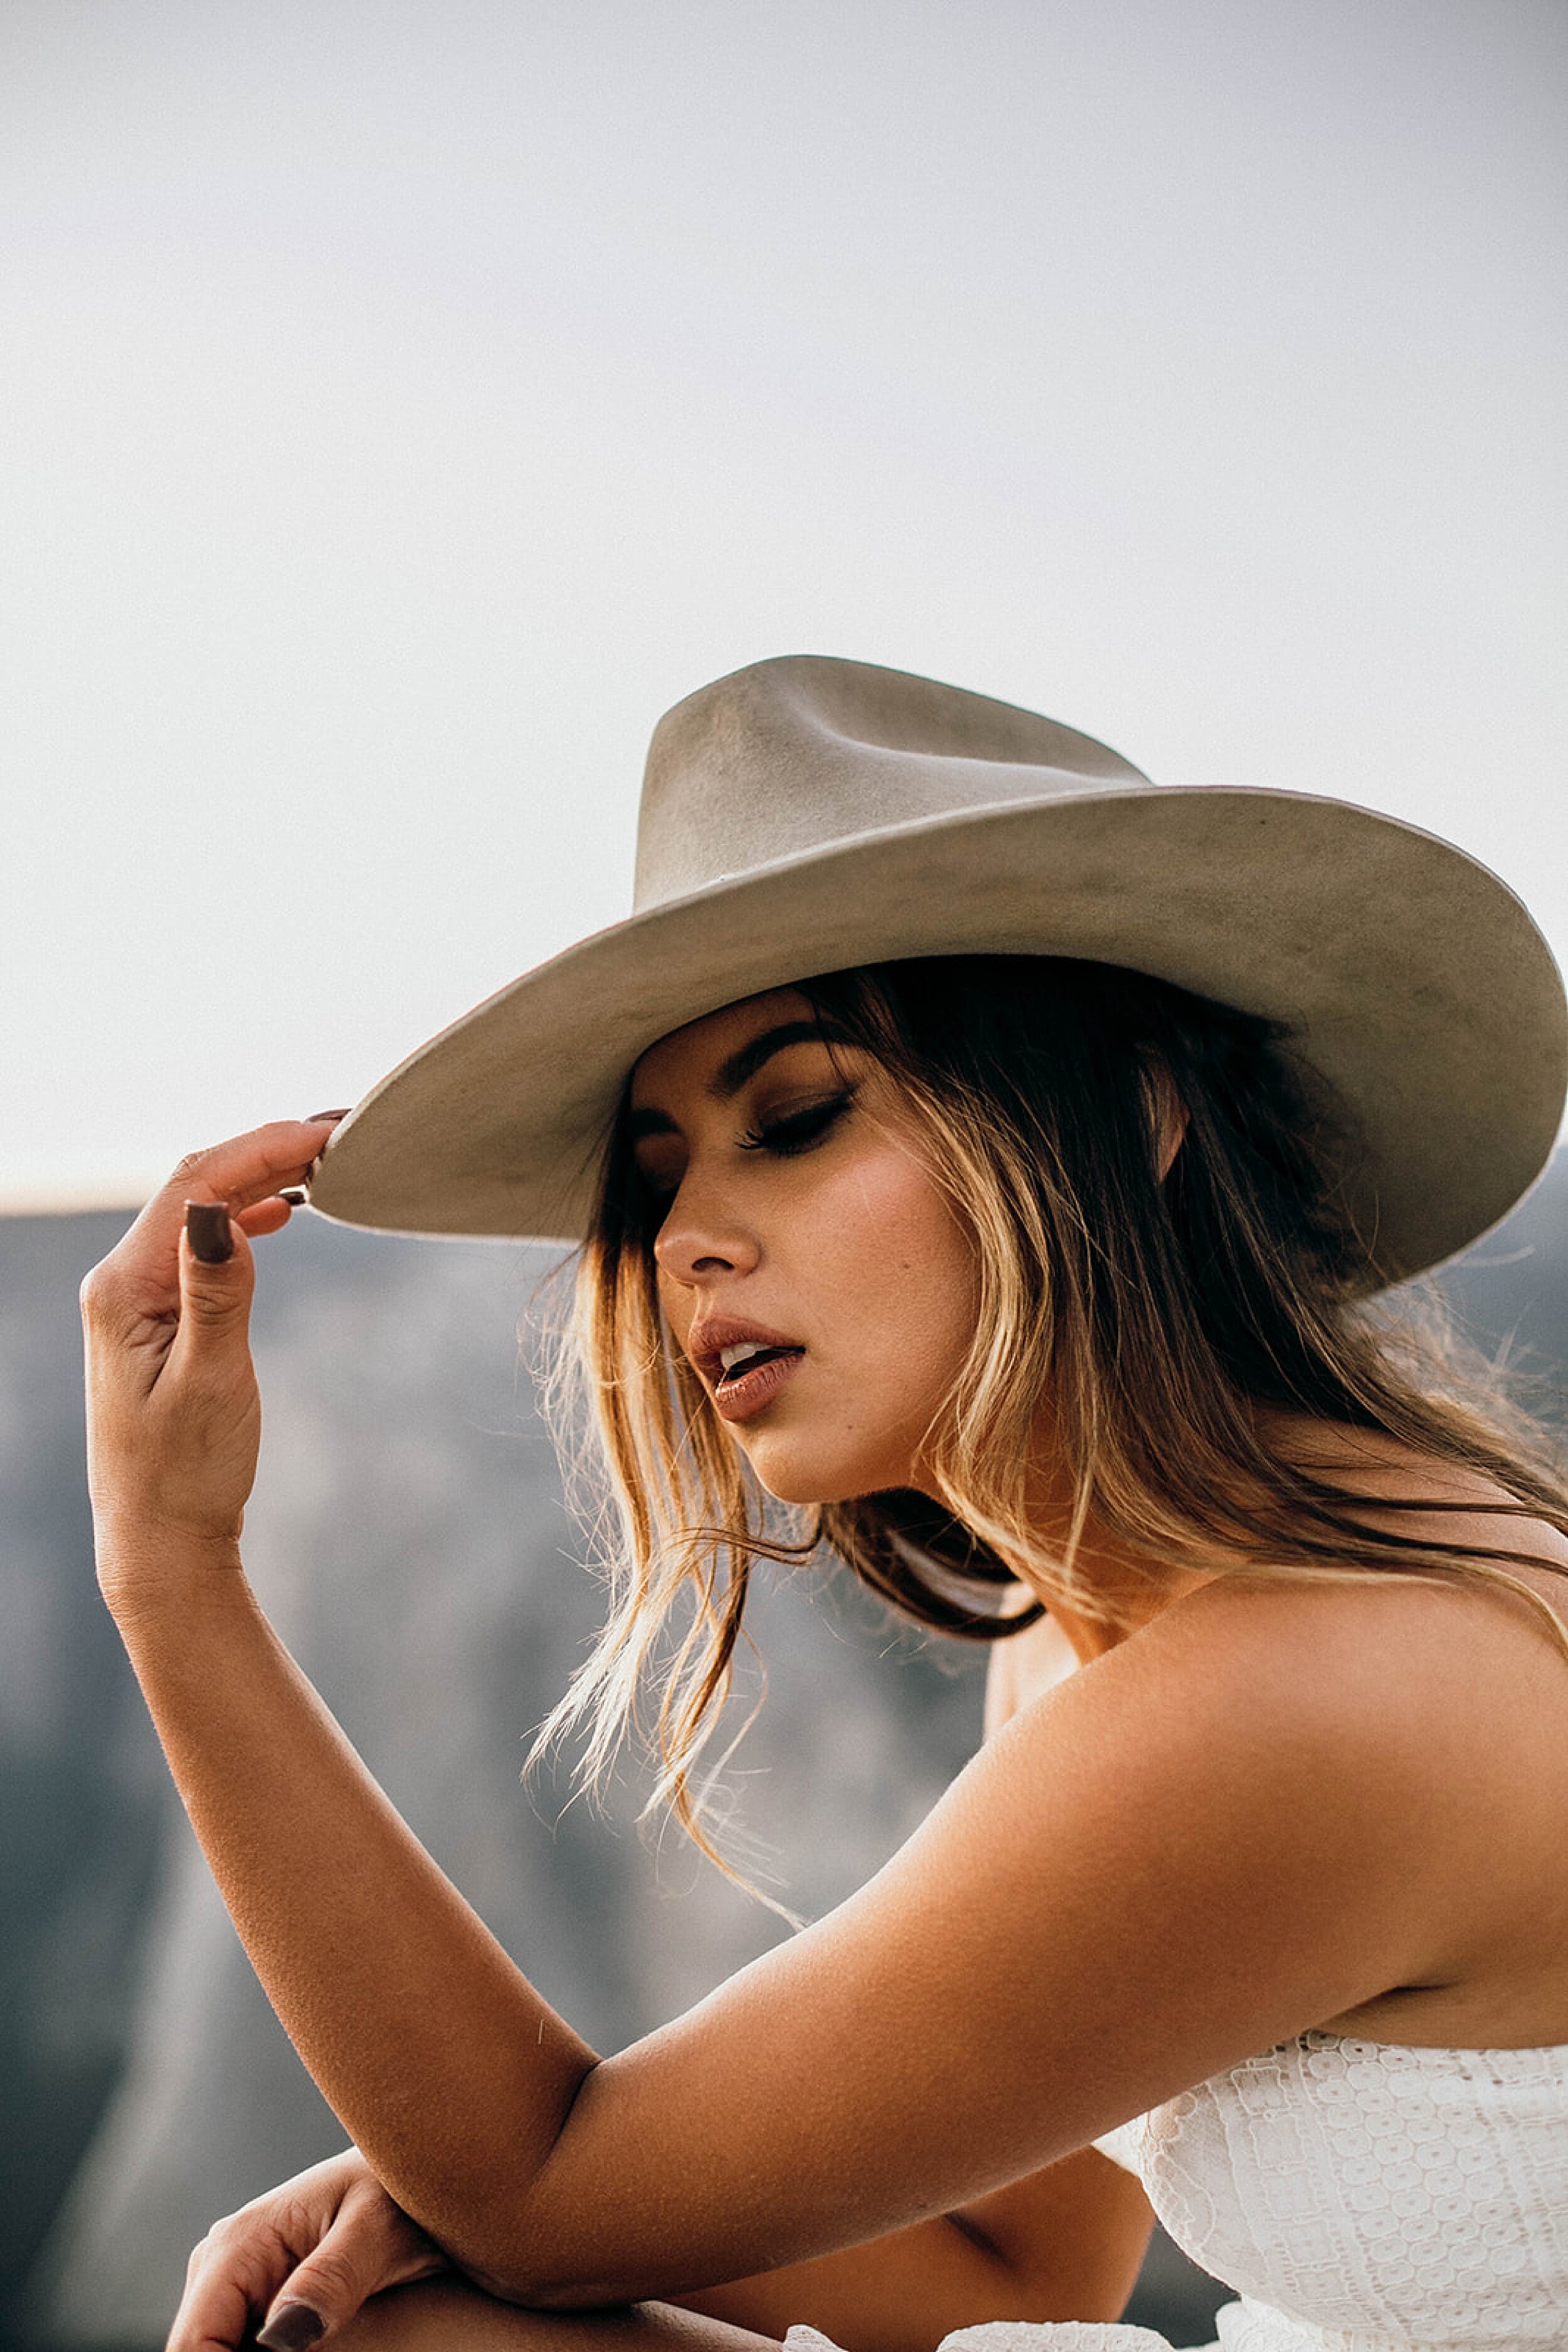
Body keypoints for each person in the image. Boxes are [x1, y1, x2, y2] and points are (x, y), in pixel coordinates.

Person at [81, 657, 1568, 2352]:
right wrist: (441, 2198)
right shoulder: (1110, 1639)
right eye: (654, 1180)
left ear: (1124, 1113)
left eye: (792, 1119)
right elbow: (1017, 2277)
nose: (687, 1240)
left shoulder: (1318, 1683)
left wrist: (170, 1565)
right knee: (383, 2325)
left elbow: (547, 2197)